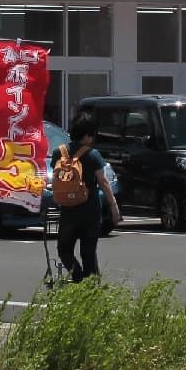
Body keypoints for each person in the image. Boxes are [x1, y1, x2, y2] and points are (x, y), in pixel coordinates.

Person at [53, 112, 114, 283]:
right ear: (87, 135)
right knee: (88, 253)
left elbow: (56, 179)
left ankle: (77, 275)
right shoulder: (93, 155)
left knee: (64, 249)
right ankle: (91, 289)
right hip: (90, 212)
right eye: (92, 135)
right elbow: (104, 182)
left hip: (68, 211)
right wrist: (114, 208)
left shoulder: (60, 152)